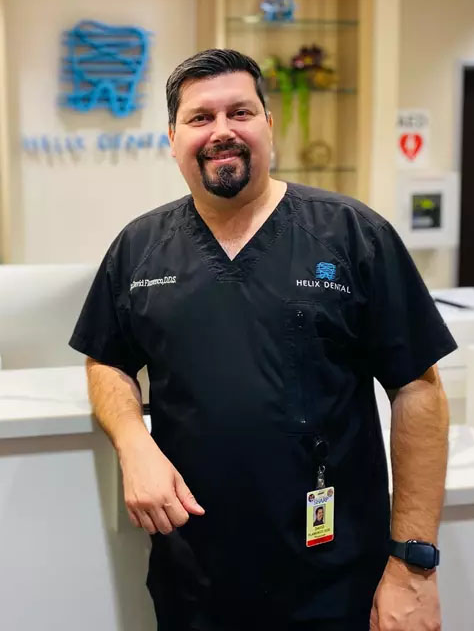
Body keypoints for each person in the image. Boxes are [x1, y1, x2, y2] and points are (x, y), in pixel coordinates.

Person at [69, 49, 456, 631]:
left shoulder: (353, 236)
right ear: (172, 138)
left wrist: (414, 566)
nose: (222, 131)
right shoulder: (139, 248)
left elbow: (419, 391)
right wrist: (132, 440)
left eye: (240, 112)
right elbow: (107, 360)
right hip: (193, 581)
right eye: (201, 118)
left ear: (268, 126)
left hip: (335, 579)